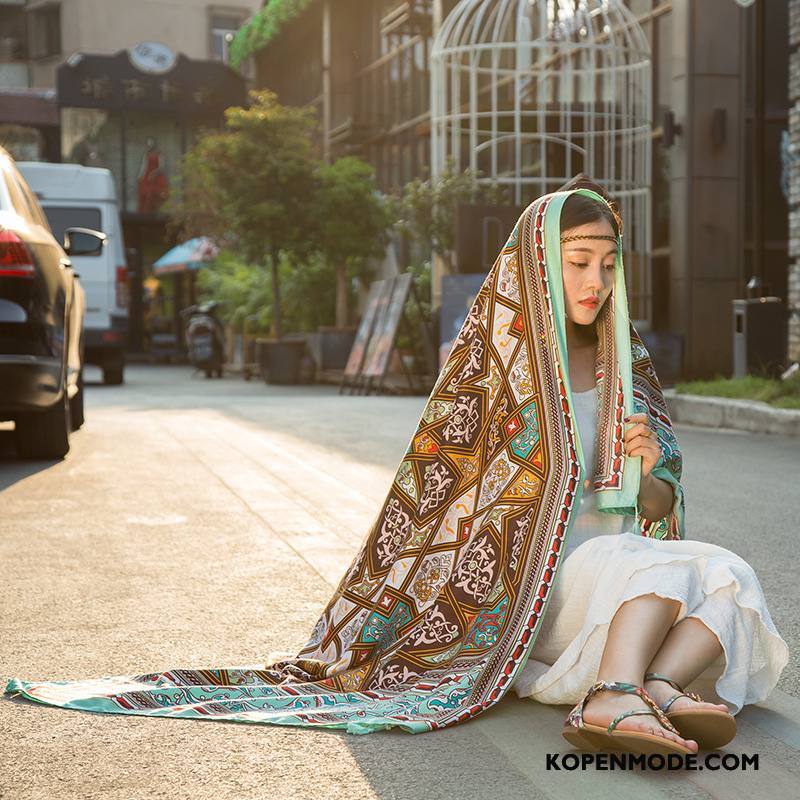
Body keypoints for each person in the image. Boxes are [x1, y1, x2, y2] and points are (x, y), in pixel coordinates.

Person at [5, 180, 789, 750]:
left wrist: (651, 467)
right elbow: (438, 506)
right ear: (541, 264)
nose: (596, 282)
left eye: (608, 265)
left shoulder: (630, 365)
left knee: (727, 572)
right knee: (648, 569)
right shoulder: (492, 369)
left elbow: (658, 508)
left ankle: (648, 686)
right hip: (528, 599)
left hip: (621, 588)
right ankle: (617, 693)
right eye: (580, 262)